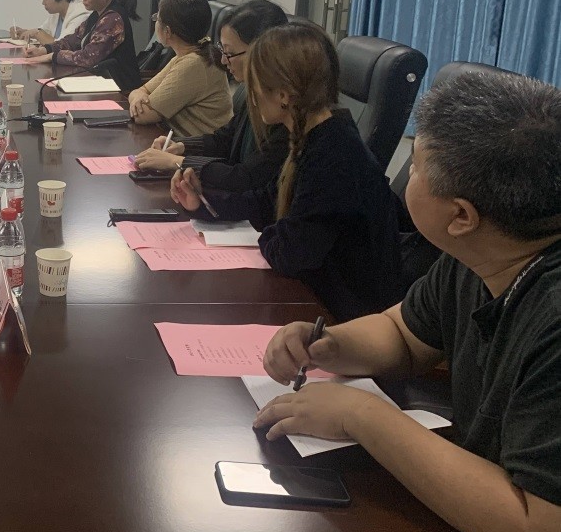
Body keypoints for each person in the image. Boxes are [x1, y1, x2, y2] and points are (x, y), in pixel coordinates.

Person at [255, 70, 561, 532]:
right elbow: (403, 333)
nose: (404, 174)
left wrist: (362, 415)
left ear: (461, 215)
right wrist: (330, 344)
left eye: (415, 165)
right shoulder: (484, 255)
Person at [170, 21, 403, 321]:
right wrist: (203, 202)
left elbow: (290, 253)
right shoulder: (317, 134)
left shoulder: (333, 156)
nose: (251, 94)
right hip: (317, 296)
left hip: (343, 315)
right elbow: (268, 201)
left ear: (283, 95)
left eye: (255, 84)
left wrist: (269, 233)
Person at [133, 0, 289, 191]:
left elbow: (245, 177)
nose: (223, 60)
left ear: (262, 52)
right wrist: (180, 145)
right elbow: (225, 139)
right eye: (222, 50)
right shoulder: (254, 93)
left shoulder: (283, 114)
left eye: (229, 53)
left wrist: (178, 162)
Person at [22, 0, 143, 92]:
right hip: (99, 84)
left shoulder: (113, 18)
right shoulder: (97, 14)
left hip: (121, 91)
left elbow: (87, 57)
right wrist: (44, 50)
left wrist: (51, 56)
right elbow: (73, 40)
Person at [127, 0, 233, 137]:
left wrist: (137, 97)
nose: (155, 22)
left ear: (168, 31)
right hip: (177, 141)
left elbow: (142, 115)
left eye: (157, 18)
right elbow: (142, 90)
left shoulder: (194, 64)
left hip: (196, 147)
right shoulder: (187, 56)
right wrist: (137, 95)